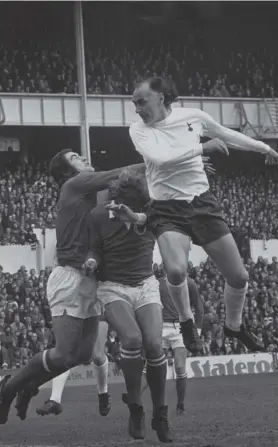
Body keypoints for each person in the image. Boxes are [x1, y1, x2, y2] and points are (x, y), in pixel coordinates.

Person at [108, 76, 278, 355]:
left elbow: (225, 133)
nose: (137, 108)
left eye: (141, 101)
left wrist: (265, 147)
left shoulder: (193, 116)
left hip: (201, 203)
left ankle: (234, 326)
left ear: (161, 97)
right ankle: (186, 322)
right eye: (134, 103)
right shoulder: (139, 130)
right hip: (166, 208)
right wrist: (203, 148)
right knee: (175, 270)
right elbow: (160, 158)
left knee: (239, 277)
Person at [0, 149, 145, 425]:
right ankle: (8, 388)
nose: (83, 158)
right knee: (63, 353)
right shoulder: (74, 184)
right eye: (76, 157)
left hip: (91, 279)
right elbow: (120, 174)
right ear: (67, 171)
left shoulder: (94, 197)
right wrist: (162, 159)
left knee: (80, 355)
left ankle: (28, 387)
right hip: (69, 277)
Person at [84, 169, 173, 443]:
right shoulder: (98, 215)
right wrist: (91, 260)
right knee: (132, 339)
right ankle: (136, 407)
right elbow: (94, 247)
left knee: (155, 345)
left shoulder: (151, 211)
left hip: (145, 284)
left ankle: (161, 413)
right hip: (113, 287)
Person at [36, 314, 111, 417]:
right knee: (65, 354)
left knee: (97, 356)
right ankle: (55, 400)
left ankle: (103, 393)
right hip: (76, 313)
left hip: (97, 312)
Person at [156, 263, 204, 415]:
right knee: (153, 365)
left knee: (180, 366)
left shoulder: (189, 283)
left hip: (181, 328)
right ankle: (138, 399)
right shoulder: (158, 284)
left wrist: (198, 329)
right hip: (162, 326)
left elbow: (199, 306)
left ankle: (181, 404)